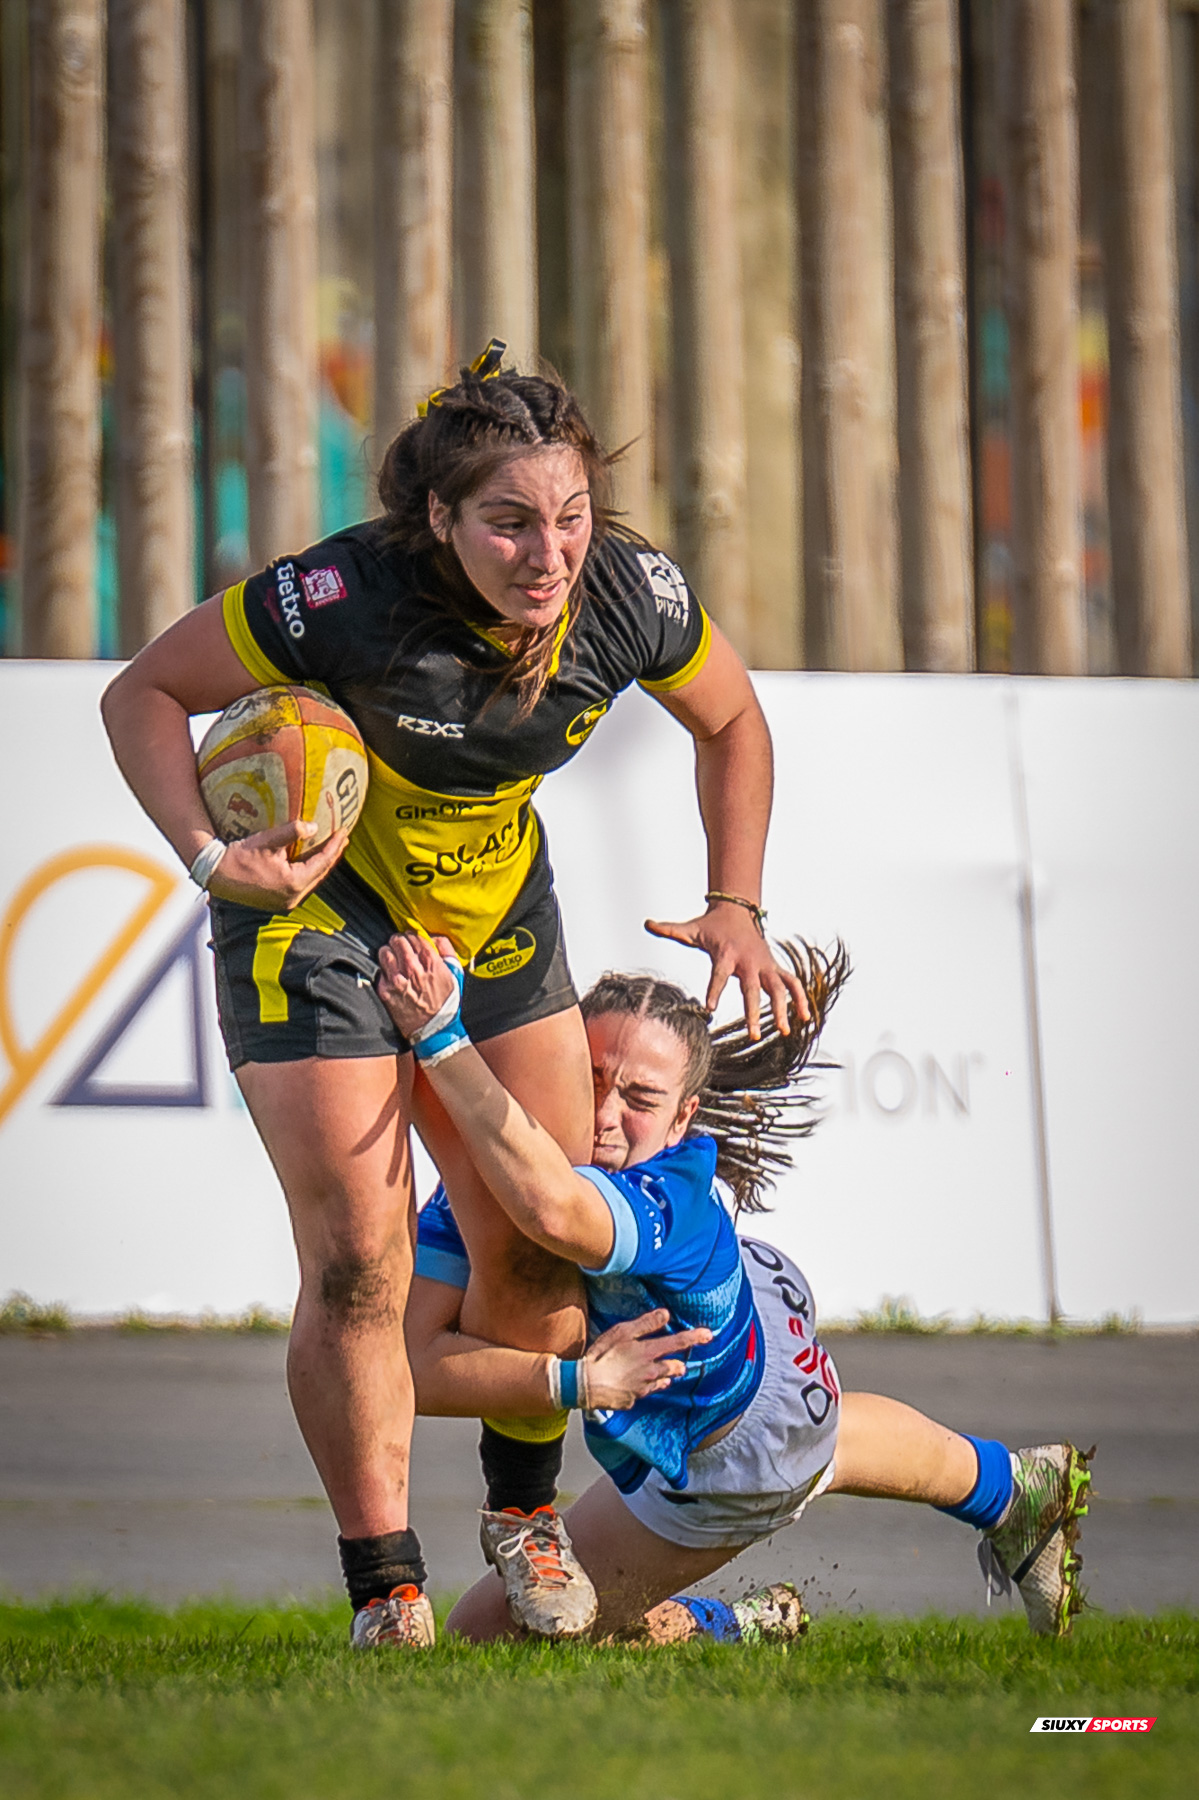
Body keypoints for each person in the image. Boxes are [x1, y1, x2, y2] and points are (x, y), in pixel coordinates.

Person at [100, 341, 809, 1648]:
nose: (549, 556)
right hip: (313, 919)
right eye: (508, 524)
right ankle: (389, 1589)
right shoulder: (339, 599)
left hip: (490, 921)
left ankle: (524, 1516)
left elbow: (732, 721)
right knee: (362, 1263)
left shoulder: (630, 599)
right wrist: (212, 856)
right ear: (437, 519)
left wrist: (736, 902)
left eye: (570, 518)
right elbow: (141, 691)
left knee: (540, 1235)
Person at [377, 931, 1094, 1648]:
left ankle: (728, 1624)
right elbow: (408, 1370)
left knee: (488, 1634)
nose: (602, 1113)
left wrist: (442, 1035)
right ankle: (1012, 1486)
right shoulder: (499, 1180)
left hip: (727, 1459)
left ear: (683, 1116)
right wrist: (571, 1379)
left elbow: (553, 1209)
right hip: (751, 1337)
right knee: (824, 1437)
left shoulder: (663, 1193)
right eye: (590, 1078)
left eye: (640, 1098)